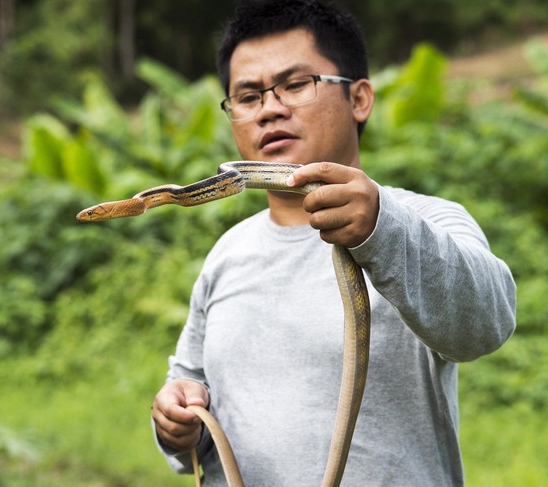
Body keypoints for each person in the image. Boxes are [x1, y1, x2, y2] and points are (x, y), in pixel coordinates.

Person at [150, 0, 517, 485]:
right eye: (247, 96)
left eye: (296, 85)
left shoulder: (424, 221)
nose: (270, 109)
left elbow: (485, 325)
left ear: (359, 98)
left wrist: (380, 230)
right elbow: (189, 380)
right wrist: (178, 421)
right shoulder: (228, 253)